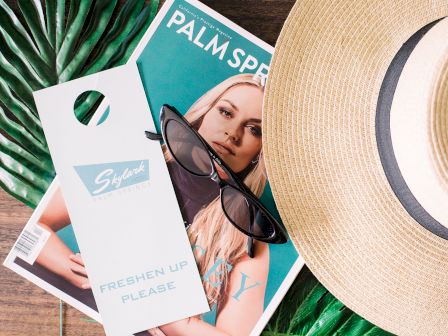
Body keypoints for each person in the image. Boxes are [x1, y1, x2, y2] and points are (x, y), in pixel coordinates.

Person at [35, 73, 271, 336]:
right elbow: (33, 229)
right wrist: (75, 271)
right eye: (226, 112)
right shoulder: (136, 159)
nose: (232, 133)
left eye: (254, 129)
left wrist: (174, 321)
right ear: (204, 114)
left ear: (261, 152)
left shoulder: (249, 234)